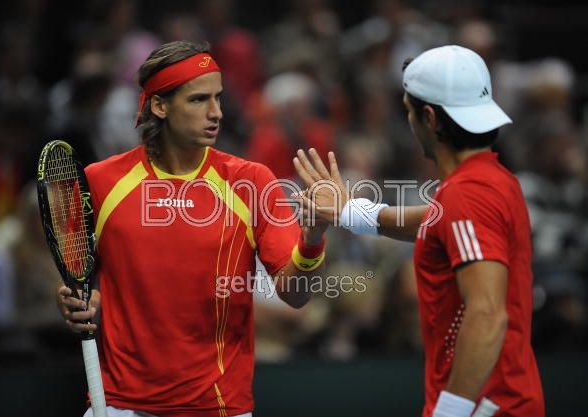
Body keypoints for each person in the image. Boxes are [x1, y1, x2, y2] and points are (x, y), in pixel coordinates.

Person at [56, 40, 328, 417]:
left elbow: (295, 296)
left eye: (218, 98)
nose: (216, 112)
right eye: (199, 100)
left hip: (217, 407)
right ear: (160, 106)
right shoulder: (99, 182)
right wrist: (73, 302)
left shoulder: (251, 182)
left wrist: (312, 239)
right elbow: (81, 284)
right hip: (118, 404)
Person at [294, 45, 544, 417]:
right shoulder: (494, 182)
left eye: (409, 111)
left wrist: (449, 412)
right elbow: (436, 221)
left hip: (485, 408)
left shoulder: (467, 195)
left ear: (429, 118)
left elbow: (487, 314)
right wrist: (350, 211)